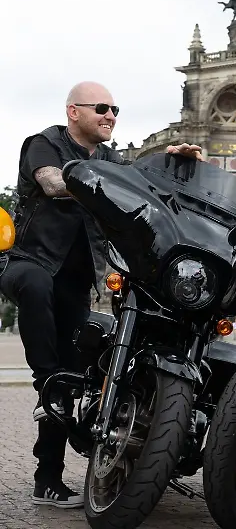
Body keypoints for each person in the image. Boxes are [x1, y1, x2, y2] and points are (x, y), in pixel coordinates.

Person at [0, 81, 202, 508]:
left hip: (77, 280)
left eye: (115, 110)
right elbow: (54, 184)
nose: (111, 115)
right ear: (74, 112)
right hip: (29, 262)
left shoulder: (110, 158)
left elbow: (140, 179)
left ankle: (47, 480)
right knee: (45, 338)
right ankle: (44, 384)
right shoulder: (44, 143)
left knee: (74, 368)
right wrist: (111, 185)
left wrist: (170, 161)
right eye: (102, 108)